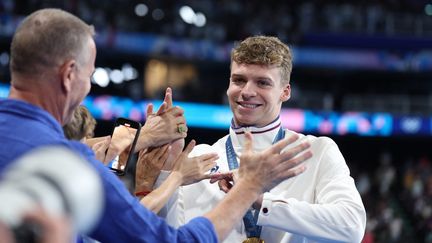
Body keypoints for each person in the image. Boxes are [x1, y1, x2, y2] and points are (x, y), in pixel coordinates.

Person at [0, 9, 312, 242]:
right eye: (89, 74)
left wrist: (141, 139)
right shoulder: (67, 164)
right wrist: (248, 188)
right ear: (69, 75)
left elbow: (73, 153)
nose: (88, 87)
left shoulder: (54, 153)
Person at [156, 36, 367, 242]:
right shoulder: (198, 156)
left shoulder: (316, 151)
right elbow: (169, 236)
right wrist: (162, 173)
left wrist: (258, 198)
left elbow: (351, 226)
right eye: (239, 80)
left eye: (262, 83)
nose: (247, 92)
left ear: (285, 92)